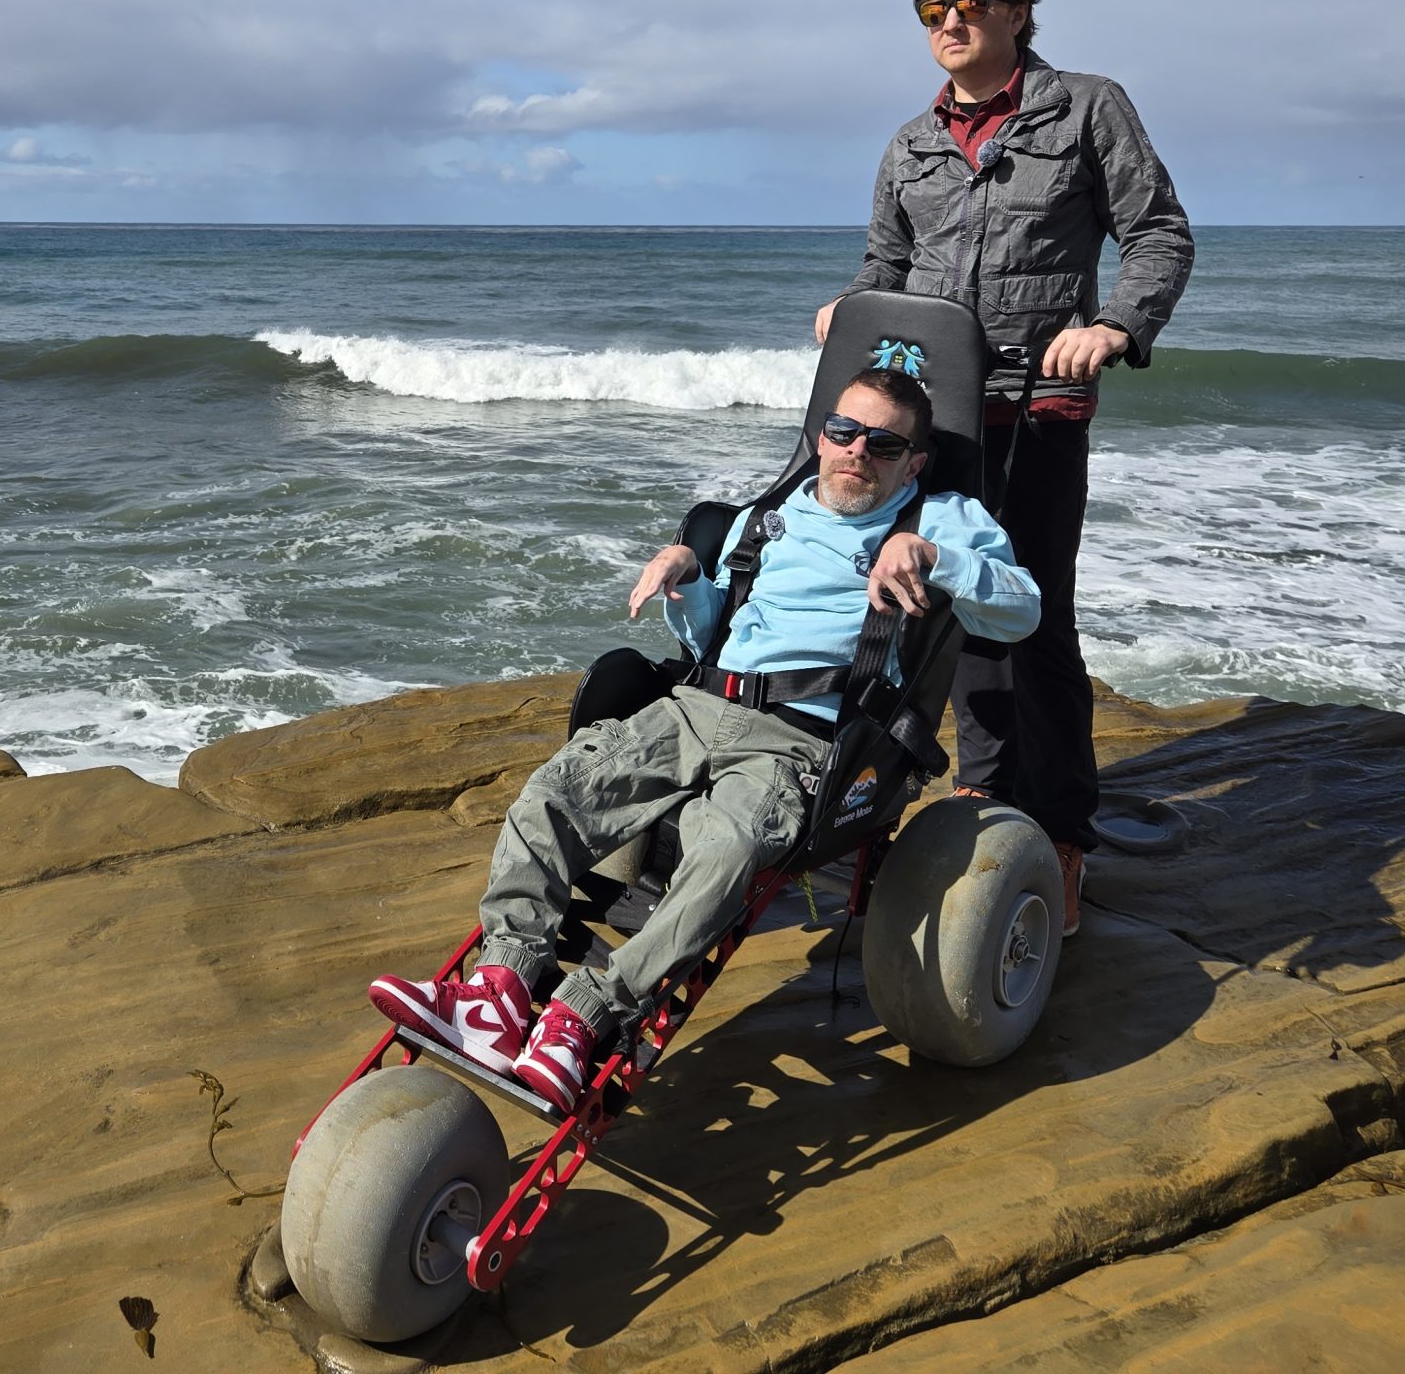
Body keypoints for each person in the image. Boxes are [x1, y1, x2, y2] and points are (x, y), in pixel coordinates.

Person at [367, 368, 1040, 1114]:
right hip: (695, 707)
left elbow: (1022, 611)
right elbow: (708, 633)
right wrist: (686, 580)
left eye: (883, 444)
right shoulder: (773, 510)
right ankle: (500, 985)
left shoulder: (941, 519)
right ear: (822, 436)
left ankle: (585, 1016)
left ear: (914, 462)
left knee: (725, 849)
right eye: (844, 433)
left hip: (804, 738)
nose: (857, 453)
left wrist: (934, 560)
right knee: (555, 792)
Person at [814, 0, 1192, 937]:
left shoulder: (1086, 108)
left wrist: (1112, 326)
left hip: (1035, 411)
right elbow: (885, 262)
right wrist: (847, 309)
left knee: (1028, 620)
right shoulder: (909, 143)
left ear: (1020, 10)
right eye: (934, 11)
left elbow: (1155, 230)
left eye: (975, 5)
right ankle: (974, 800)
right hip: (926, 416)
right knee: (923, 607)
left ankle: (1059, 835)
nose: (953, 24)